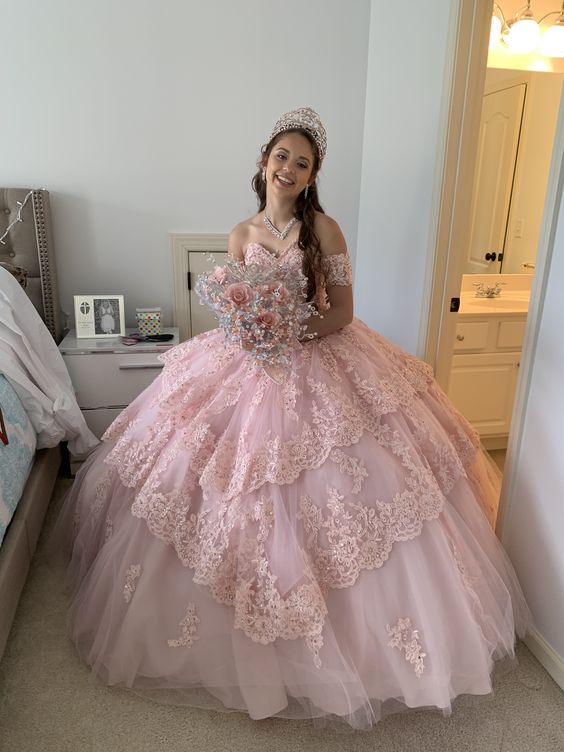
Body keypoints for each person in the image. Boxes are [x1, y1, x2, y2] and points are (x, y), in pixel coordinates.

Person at [55, 107, 530, 730]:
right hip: (249, 362)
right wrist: (252, 332)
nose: (289, 168)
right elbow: (234, 312)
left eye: (302, 163)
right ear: (264, 162)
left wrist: (289, 330)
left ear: (311, 177)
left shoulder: (324, 230)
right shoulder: (240, 234)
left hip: (319, 357)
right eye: (282, 156)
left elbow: (342, 313)